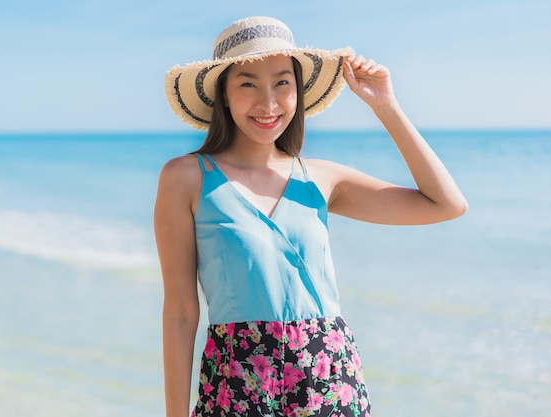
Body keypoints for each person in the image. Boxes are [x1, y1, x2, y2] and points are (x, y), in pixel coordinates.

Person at [154, 16, 467, 417]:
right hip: (236, 383)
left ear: (298, 92)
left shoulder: (320, 178)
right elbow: (180, 313)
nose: (268, 102)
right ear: (224, 95)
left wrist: (385, 107)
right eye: (248, 83)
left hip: (330, 379)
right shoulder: (186, 177)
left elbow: (446, 204)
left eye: (282, 83)